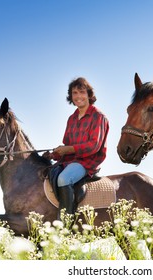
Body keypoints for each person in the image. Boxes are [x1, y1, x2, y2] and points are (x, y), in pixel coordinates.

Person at [45, 77, 109, 217]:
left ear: (89, 95)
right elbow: (67, 145)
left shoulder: (98, 116)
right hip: (70, 161)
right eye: (74, 93)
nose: (78, 96)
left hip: (87, 162)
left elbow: (94, 146)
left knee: (63, 179)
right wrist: (55, 154)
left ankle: (65, 221)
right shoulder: (72, 118)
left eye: (82, 92)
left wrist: (69, 149)